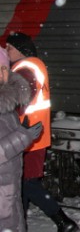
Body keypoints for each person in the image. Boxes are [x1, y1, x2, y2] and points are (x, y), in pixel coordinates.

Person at [6, 32, 79, 232]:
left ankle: (63, 222)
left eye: (10, 48)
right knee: (23, 184)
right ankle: (20, 223)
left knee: (26, 183)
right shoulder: (33, 66)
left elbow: (17, 102)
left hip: (27, 137)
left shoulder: (25, 69)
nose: (6, 51)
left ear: (21, 50)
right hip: (33, 135)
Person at [0, 46, 42, 232]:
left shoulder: (7, 105)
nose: (2, 74)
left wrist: (23, 134)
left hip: (8, 197)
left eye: (4, 68)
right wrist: (22, 136)